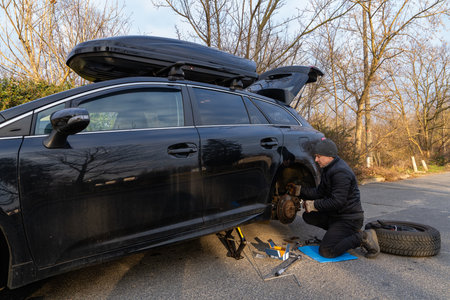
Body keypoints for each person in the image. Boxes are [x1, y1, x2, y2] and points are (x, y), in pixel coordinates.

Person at [300, 138, 380, 258]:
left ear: (329, 156)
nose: (316, 160)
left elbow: (337, 202)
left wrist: (313, 205)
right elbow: (320, 192)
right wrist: (300, 191)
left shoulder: (341, 173)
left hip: (349, 219)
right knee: (308, 216)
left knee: (326, 251)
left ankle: (362, 237)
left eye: (318, 156)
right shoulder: (328, 168)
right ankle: (341, 234)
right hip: (336, 215)